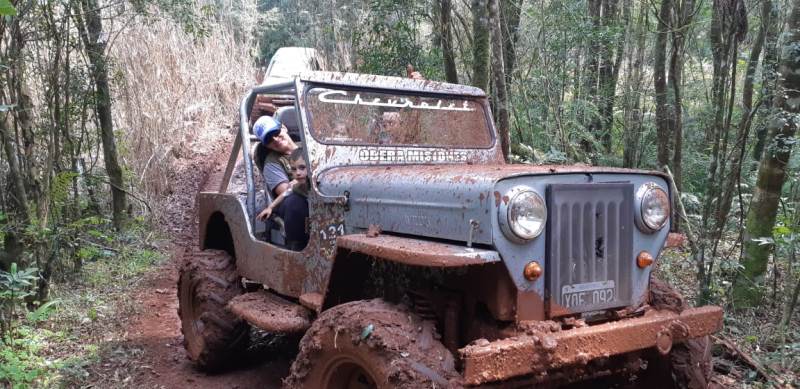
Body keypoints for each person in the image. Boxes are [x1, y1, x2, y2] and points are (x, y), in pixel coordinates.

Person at [257, 147, 309, 251]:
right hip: (300, 215)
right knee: (294, 203)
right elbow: (285, 193)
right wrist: (270, 207)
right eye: (294, 169)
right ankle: (295, 245)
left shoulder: (318, 182)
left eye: (302, 168)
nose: (298, 173)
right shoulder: (297, 185)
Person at [253, 115, 299, 198]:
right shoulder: (272, 163)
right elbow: (286, 193)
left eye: (275, 133)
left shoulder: (308, 144)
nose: (275, 139)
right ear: (266, 145)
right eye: (268, 139)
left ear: (284, 128)